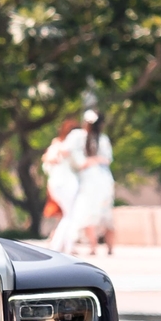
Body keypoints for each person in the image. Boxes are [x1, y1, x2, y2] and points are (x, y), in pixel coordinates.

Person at [70, 108, 116, 255]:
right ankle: (107, 248)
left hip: (92, 181)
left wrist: (90, 161)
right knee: (103, 213)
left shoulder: (83, 137)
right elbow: (106, 159)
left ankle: (94, 246)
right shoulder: (95, 139)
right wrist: (96, 160)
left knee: (90, 212)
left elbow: (80, 162)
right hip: (101, 180)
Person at [40, 116, 81, 247]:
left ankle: (63, 244)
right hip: (66, 183)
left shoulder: (56, 144)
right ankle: (61, 245)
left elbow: (47, 162)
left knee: (67, 214)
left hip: (55, 183)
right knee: (70, 215)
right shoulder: (68, 148)